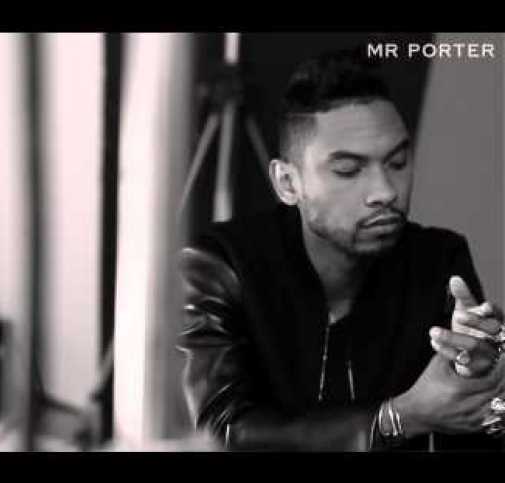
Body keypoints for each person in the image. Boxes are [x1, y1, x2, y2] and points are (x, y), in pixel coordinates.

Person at [177, 48, 505, 451]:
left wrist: (484, 384)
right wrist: (395, 419)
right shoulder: (218, 266)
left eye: (398, 162)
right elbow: (216, 433)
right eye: (349, 171)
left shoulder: (438, 261)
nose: (385, 191)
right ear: (287, 183)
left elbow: (471, 426)